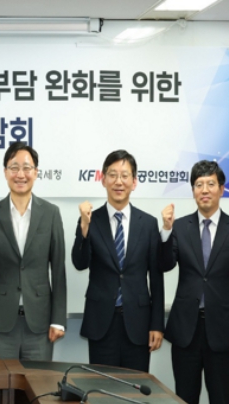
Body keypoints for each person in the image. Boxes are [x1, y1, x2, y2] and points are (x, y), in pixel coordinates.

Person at [160, 160, 229, 404]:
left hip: (223, 332)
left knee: (221, 398)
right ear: (193, 191)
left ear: (221, 189)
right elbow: (165, 264)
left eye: (211, 184)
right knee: (184, 397)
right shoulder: (180, 227)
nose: (204, 190)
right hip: (186, 331)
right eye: (199, 185)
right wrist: (166, 231)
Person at [71, 149, 164, 372]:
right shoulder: (91, 220)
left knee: (135, 387)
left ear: (134, 182)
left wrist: (157, 324)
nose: (118, 182)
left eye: (124, 175)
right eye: (112, 175)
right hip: (101, 322)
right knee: (102, 386)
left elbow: (156, 278)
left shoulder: (148, 224)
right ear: (103, 179)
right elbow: (80, 263)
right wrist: (84, 227)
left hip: (138, 323)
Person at [0, 141, 67, 360]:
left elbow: (58, 270)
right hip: (3, 322)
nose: (20, 174)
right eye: (14, 168)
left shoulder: (51, 213)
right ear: (5, 172)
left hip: (40, 323)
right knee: (3, 381)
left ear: (36, 172)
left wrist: (58, 320)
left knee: (38, 381)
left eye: (27, 168)